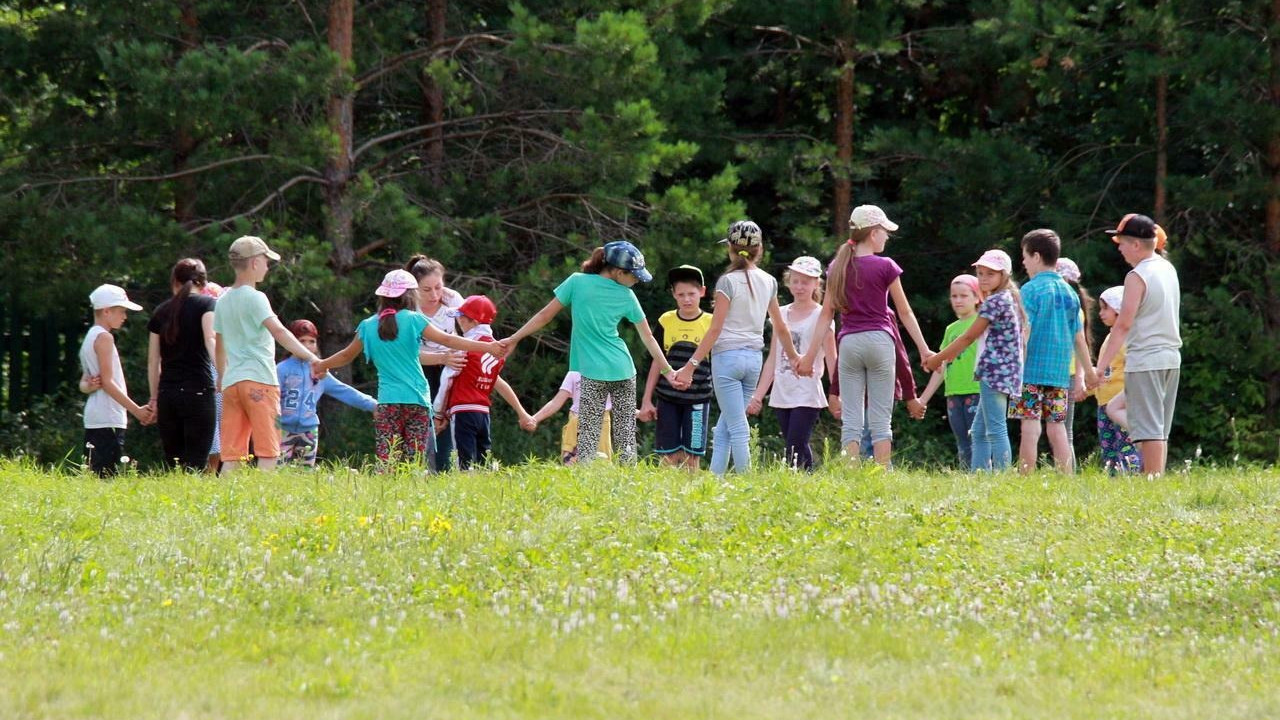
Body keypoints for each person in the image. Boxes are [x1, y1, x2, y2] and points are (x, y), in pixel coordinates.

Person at [503, 241, 682, 465]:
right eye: (634, 275)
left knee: (587, 440)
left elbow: (544, 316)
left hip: (592, 372)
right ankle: (627, 487)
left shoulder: (577, 283)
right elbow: (648, 338)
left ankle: (589, 488)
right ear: (618, 272)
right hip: (623, 369)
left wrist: (514, 338)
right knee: (625, 438)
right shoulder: (626, 296)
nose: (636, 280)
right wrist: (667, 371)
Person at [313, 270, 506, 468]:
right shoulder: (414, 320)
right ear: (410, 295)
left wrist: (322, 364)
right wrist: (488, 347)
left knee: (388, 461)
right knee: (414, 462)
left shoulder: (367, 325)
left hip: (388, 402)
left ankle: (387, 495)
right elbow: (449, 340)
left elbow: (346, 355)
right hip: (418, 401)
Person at [799, 205, 933, 467]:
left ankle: (851, 472)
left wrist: (809, 356)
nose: (886, 237)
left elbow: (826, 316)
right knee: (881, 420)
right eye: (884, 232)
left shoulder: (838, 266)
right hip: (879, 341)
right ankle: (882, 474)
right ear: (873, 233)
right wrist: (924, 348)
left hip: (849, 343)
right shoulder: (885, 266)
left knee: (851, 421)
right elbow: (904, 312)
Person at [670, 221, 801, 476]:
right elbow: (781, 328)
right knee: (726, 427)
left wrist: (690, 367)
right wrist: (795, 357)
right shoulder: (769, 281)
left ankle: (746, 480)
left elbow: (715, 329)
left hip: (727, 359)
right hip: (753, 359)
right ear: (759, 249)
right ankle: (716, 480)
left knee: (737, 426)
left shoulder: (726, 282)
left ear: (730, 248)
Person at [213, 235, 324, 474]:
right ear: (254, 263)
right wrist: (311, 357)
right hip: (260, 382)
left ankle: (222, 502)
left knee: (232, 455)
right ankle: (265, 501)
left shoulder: (222, 301)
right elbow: (279, 331)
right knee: (269, 450)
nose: (267, 266)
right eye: (265, 260)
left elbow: (219, 345)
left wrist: (221, 377)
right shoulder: (256, 297)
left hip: (232, 383)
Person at [405, 254, 527, 469]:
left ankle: (444, 471)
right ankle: (415, 468)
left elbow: (471, 329)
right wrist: (443, 357)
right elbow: (407, 353)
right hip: (420, 367)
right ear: (414, 289)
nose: (434, 295)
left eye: (438, 287)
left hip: (455, 361)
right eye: (426, 290)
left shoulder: (453, 300)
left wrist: (479, 354)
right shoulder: (407, 309)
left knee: (447, 422)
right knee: (423, 420)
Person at [1090, 213, 1181, 476]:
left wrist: (1100, 368)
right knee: (1159, 426)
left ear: (1136, 245)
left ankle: (1151, 482)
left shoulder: (1137, 276)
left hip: (1145, 360)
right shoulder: (1167, 268)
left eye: (1121, 242)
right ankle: (1155, 478)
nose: (1119, 248)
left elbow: (1123, 325)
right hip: (1170, 357)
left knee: (1148, 426)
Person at [923, 250, 1025, 471]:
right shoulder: (1007, 299)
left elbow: (969, 336)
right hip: (1002, 371)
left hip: (994, 372)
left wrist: (936, 359)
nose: (984, 278)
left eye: (991, 273)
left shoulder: (995, 302)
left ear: (1004, 275)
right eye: (980, 273)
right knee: (978, 431)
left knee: (995, 429)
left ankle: (1002, 477)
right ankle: (979, 475)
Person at [1013, 229, 1098, 473]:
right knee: (1057, 427)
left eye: (1025, 257)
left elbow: (1024, 333)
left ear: (1037, 256)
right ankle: (1066, 477)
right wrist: (1089, 373)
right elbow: (1079, 338)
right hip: (1060, 374)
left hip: (1030, 372)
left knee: (1029, 426)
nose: (1024, 262)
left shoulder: (1029, 290)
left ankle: (1025, 476)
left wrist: (1017, 366)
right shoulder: (1070, 293)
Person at [747, 256, 839, 471]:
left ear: (816, 284)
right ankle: (806, 481)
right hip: (782, 391)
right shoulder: (781, 315)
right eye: (795, 281)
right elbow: (772, 359)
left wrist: (837, 394)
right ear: (788, 282)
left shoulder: (822, 316)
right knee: (792, 446)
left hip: (807, 392)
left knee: (795, 445)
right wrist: (758, 395)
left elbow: (832, 358)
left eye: (805, 282)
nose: (799, 287)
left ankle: (803, 482)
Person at [432, 295, 531, 469]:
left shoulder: (465, 347)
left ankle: (466, 489)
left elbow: (447, 379)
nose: (459, 320)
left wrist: (439, 413)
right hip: (483, 412)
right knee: (483, 458)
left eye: (462, 317)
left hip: (462, 410)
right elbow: (495, 381)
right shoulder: (497, 351)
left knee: (463, 461)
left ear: (473, 322)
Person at [144, 258, 218, 472]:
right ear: (203, 283)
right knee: (196, 464)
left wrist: (154, 397)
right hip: (199, 391)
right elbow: (210, 340)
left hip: (168, 394)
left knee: (174, 465)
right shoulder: (207, 305)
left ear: (174, 281)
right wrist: (224, 374)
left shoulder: (161, 312)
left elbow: (153, 361)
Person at [638, 264, 714, 470]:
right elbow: (657, 361)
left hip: (698, 398)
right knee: (667, 453)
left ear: (702, 292)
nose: (687, 299)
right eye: (681, 294)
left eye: (691, 293)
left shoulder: (711, 322)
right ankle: (666, 494)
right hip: (667, 398)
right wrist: (647, 400)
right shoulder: (666, 320)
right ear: (673, 295)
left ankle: (691, 495)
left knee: (693, 454)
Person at [277, 319, 377, 467]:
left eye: (311, 341)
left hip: (309, 430)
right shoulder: (282, 369)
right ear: (290, 342)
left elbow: (343, 390)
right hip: (282, 429)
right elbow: (271, 397)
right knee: (279, 468)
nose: (307, 346)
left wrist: (373, 405)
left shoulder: (320, 370)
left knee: (305, 472)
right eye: (301, 341)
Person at [79, 285, 154, 476]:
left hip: (95, 416)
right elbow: (108, 382)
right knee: (106, 475)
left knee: (96, 472)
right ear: (106, 311)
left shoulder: (90, 336)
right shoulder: (105, 338)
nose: (124, 316)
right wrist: (136, 410)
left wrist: (88, 387)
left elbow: (84, 382)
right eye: (121, 311)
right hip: (108, 415)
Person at [917, 274, 983, 468]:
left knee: (978, 441)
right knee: (962, 443)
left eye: (964, 295)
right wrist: (923, 399)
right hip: (953, 394)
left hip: (977, 390)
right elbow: (941, 366)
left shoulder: (982, 323)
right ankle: (966, 480)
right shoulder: (951, 329)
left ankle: (984, 477)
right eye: (954, 296)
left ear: (977, 297)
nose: (958, 300)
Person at [1090, 286, 1143, 474]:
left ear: (1119, 309)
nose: (1100, 313)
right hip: (1104, 403)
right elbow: (1109, 371)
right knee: (1109, 448)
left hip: (1122, 403)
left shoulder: (1126, 338)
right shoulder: (1110, 337)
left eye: (1105, 308)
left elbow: (1132, 365)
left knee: (1126, 445)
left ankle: (1133, 478)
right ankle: (1113, 481)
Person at [523, 370, 615, 464]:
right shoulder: (574, 373)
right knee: (571, 465)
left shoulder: (610, 372)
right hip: (575, 424)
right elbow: (556, 402)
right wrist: (534, 419)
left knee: (602, 462)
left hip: (601, 421)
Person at [1056, 256, 1095, 467]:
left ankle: (1066, 472)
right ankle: (1065, 471)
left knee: (1063, 429)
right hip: (1061, 373)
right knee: (1060, 428)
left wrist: (1080, 378)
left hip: (1066, 374)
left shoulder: (1074, 311)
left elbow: (1081, 346)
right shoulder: (1074, 309)